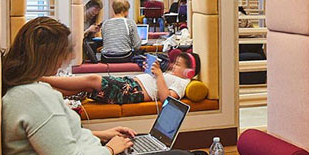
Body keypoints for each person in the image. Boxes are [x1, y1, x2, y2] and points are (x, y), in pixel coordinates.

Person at [1, 17, 206, 155]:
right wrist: (109, 149)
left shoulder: (23, 92)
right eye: (64, 53)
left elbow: (53, 137)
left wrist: (100, 135)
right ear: (47, 55)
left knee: (140, 142)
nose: (68, 57)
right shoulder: (36, 98)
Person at [47, 49, 198, 106]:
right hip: (130, 84)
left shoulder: (182, 82)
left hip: (132, 91)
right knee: (85, 88)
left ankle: (42, 79)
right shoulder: (173, 75)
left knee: (92, 80)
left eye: (178, 65)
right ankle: (45, 91)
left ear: (189, 72)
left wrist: (159, 75)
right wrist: (151, 70)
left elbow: (167, 101)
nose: (173, 66)